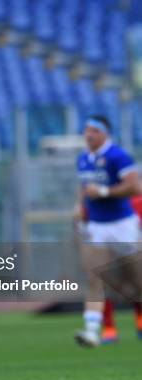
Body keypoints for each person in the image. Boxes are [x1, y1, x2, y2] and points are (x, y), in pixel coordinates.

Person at [75, 115, 140, 347]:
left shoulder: (117, 156)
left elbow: (135, 186)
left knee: (136, 280)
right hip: (97, 225)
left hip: (122, 224)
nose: (89, 134)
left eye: (94, 130)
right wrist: (80, 208)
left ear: (105, 133)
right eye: (86, 130)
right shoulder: (83, 159)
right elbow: (84, 188)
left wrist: (104, 192)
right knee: (94, 276)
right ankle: (92, 330)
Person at [99, 193, 142, 343]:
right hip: (108, 250)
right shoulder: (99, 203)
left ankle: (140, 322)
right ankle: (109, 329)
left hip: (132, 249)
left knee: (136, 284)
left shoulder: (137, 201)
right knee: (104, 285)